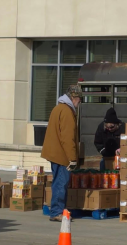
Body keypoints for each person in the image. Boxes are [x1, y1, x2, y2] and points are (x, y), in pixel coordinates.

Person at [41, 85, 82, 222]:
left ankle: (56, 210)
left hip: (55, 152)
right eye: (79, 99)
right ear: (73, 98)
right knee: (61, 183)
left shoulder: (58, 108)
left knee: (58, 182)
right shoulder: (67, 111)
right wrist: (72, 158)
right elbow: (67, 137)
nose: (80, 102)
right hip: (61, 155)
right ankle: (57, 212)